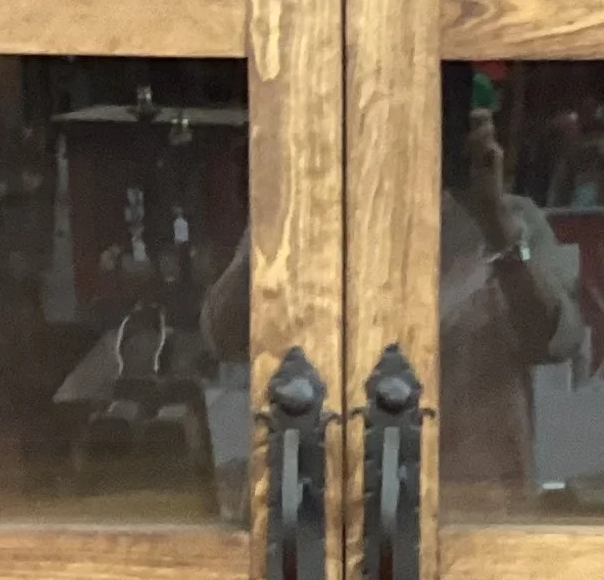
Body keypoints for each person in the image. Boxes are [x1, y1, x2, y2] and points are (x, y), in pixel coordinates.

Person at [202, 67, 584, 496]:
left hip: (475, 503)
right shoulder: (311, 220)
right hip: (337, 503)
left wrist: (492, 219)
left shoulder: (514, 222)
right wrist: (284, 209)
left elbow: (555, 342)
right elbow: (226, 336)